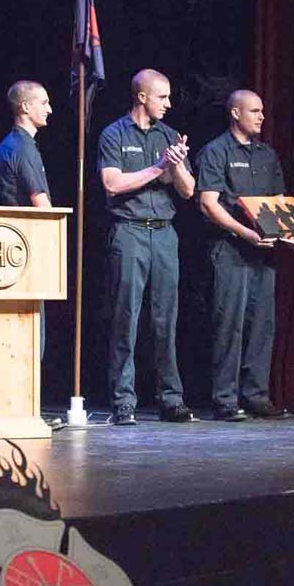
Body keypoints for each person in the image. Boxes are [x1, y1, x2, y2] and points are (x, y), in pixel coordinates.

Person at [196, 89, 294, 421]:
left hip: (263, 252)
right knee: (229, 325)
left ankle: (256, 395)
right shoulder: (216, 151)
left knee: (262, 325)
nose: (260, 117)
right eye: (254, 111)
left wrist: (288, 231)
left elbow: (278, 202)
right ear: (235, 113)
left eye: (262, 111)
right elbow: (208, 203)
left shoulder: (267, 155)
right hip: (230, 249)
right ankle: (225, 399)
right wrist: (245, 233)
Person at [97, 68, 195, 425]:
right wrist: (158, 168)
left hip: (164, 233)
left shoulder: (169, 136)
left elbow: (187, 191)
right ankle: (124, 400)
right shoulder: (114, 134)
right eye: (162, 97)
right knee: (126, 317)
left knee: (165, 318)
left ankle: (171, 398)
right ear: (142, 97)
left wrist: (178, 164)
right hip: (129, 232)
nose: (168, 104)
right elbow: (112, 184)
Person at [0, 80, 53, 361]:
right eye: (43, 103)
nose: (50, 109)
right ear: (26, 107)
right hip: (25, 245)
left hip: (10, 244)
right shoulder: (23, 148)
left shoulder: (10, 144)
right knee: (30, 323)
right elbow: (41, 204)